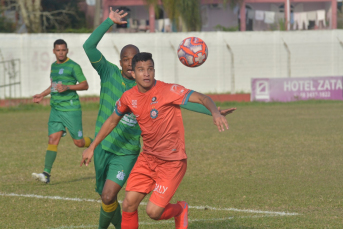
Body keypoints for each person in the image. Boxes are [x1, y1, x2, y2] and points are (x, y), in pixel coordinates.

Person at [82, 8, 235, 229]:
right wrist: (109, 21)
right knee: (114, 201)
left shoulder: (162, 89)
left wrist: (213, 111)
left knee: (124, 201)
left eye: (146, 67)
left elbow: (191, 100)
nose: (135, 67)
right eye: (127, 61)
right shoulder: (113, 77)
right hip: (119, 150)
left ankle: (177, 210)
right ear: (126, 65)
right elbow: (112, 119)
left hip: (135, 152)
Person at [32, 39, 92, 184]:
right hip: (56, 109)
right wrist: (42, 94)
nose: (61, 52)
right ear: (54, 51)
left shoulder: (73, 66)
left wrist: (68, 87)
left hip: (71, 109)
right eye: (58, 50)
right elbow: (53, 85)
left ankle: (96, 142)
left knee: (78, 143)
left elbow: (85, 85)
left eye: (63, 50)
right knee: (53, 139)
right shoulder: (53, 66)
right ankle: (46, 174)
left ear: (67, 50)